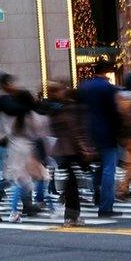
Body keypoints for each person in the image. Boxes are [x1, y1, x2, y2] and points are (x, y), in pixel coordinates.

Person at [0, 87, 49, 223]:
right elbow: (40, 132)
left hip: (14, 149)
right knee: (35, 178)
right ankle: (26, 207)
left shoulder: (8, 115)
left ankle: (15, 209)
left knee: (17, 180)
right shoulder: (31, 114)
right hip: (28, 149)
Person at [44, 81, 94, 227]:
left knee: (70, 184)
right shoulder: (68, 108)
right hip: (71, 151)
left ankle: (71, 216)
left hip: (60, 151)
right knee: (72, 185)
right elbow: (75, 131)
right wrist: (84, 148)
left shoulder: (51, 108)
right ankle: (71, 217)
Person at [77, 62, 123, 217]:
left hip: (89, 133)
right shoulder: (108, 88)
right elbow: (114, 112)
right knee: (109, 169)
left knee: (97, 168)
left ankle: (96, 196)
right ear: (105, 72)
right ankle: (105, 206)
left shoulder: (84, 87)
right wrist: (119, 131)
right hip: (107, 133)